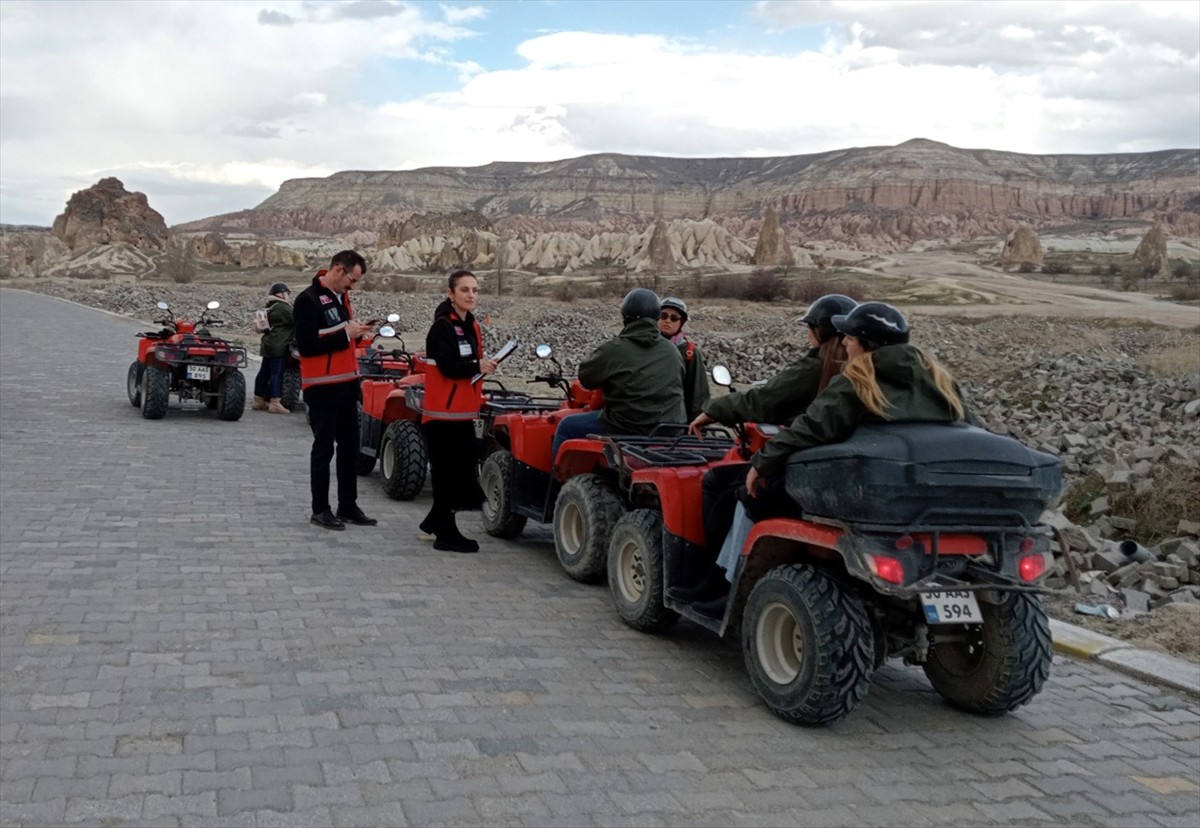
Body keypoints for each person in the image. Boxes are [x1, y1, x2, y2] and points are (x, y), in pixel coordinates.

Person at [695, 302, 978, 616]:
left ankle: (730, 585)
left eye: (851, 338)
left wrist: (763, 463)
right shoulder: (940, 381)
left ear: (867, 345)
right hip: (928, 497)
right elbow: (971, 433)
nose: (844, 343)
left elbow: (810, 427)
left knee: (751, 494)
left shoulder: (859, 379)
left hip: (865, 494)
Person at [676, 294, 857, 603]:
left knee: (728, 487)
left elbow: (765, 401)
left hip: (808, 469)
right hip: (844, 473)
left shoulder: (817, 369)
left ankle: (719, 581)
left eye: (809, 327)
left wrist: (715, 410)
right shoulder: (870, 375)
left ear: (819, 330)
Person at [293, 250, 377, 531]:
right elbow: (306, 345)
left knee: (349, 448)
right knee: (324, 448)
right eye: (352, 280)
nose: (353, 286)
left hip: (346, 386)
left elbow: (340, 338)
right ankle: (320, 509)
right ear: (338, 269)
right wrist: (345, 334)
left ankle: (347, 505)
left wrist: (357, 335)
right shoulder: (307, 300)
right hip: (321, 388)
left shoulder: (342, 298)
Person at [550, 288, 685, 462]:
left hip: (629, 426)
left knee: (566, 426)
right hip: (670, 428)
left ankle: (556, 477)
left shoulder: (615, 348)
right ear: (656, 316)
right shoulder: (672, 350)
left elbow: (586, 379)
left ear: (625, 315)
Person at [419, 270, 497, 553]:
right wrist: (477, 366)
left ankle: (434, 522)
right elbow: (448, 366)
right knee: (448, 474)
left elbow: (468, 363)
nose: (471, 295)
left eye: (475, 290)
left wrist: (482, 365)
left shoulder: (470, 325)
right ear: (451, 293)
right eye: (464, 290)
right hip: (443, 414)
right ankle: (446, 534)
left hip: (462, 410)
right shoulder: (442, 327)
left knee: (458, 469)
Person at [658, 296, 710, 421]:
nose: (667, 321)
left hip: (673, 422)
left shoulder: (689, 352)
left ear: (681, 322)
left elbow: (698, 395)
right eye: (663, 315)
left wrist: (696, 424)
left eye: (674, 318)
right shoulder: (646, 346)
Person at [252, 282, 294, 414]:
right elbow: (296, 320)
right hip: (279, 344)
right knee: (277, 373)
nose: (289, 296)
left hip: (268, 343)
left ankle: (258, 400)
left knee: (264, 372)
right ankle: (275, 402)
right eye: (287, 293)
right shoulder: (283, 308)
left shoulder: (270, 307)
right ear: (280, 294)